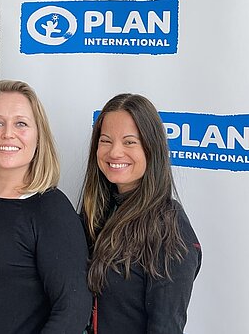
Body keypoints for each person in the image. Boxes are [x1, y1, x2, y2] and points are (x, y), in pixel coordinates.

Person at [0, 80, 92, 333]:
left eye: (21, 124)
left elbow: (73, 309)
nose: (7, 134)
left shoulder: (52, 211)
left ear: (38, 137)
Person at [80, 93, 202, 334]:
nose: (115, 152)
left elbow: (166, 326)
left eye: (129, 142)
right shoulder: (96, 213)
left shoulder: (169, 227)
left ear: (151, 148)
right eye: (105, 141)